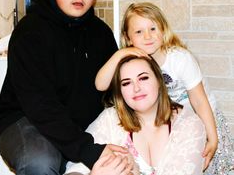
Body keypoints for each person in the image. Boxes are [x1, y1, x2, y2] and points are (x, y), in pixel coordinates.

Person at [0, 0, 132, 175]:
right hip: (25, 119)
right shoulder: (30, 32)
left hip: (74, 124)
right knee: (42, 161)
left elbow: (114, 91)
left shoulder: (101, 34)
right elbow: (40, 106)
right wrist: (88, 150)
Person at [95, 2, 234, 175]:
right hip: (174, 121)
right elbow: (100, 84)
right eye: (139, 32)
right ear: (128, 38)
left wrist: (213, 137)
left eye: (153, 28)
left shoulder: (180, 59)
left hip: (204, 116)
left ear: (163, 29)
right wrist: (120, 53)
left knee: (211, 165)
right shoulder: (132, 61)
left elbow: (199, 100)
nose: (147, 37)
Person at [65, 55, 206, 175]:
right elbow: (75, 168)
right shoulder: (110, 120)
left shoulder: (189, 125)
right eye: (126, 83)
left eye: (143, 78)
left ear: (159, 81)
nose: (136, 88)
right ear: (120, 92)